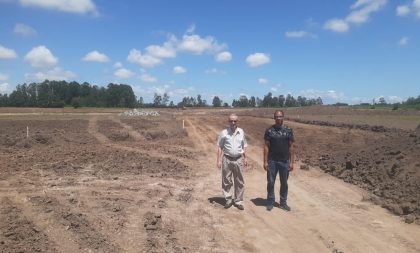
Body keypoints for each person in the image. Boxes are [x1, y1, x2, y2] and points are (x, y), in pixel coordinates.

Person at [263, 110, 295, 211]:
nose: (278, 118)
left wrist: (291, 162)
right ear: (274, 118)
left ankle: (283, 203)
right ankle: (270, 202)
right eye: (276, 117)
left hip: (284, 162)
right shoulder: (269, 131)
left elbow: (291, 147)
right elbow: (266, 147)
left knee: (284, 183)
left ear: (283, 117)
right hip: (272, 161)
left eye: (280, 116)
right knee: (271, 182)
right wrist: (265, 161)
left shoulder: (288, 130)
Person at [217, 113, 248, 210]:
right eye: (231, 121)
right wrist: (218, 160)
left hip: (238, 159)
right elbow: (220, 147)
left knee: (239, 181)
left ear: (237, 121)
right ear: (228, 122)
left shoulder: (241, 132)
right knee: (226, 180)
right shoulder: (224, 133)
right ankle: (228, 199)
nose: (233, 122)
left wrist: (245, 158)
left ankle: (238, 201)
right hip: (227, 159)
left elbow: (244, 146)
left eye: (235, 121)